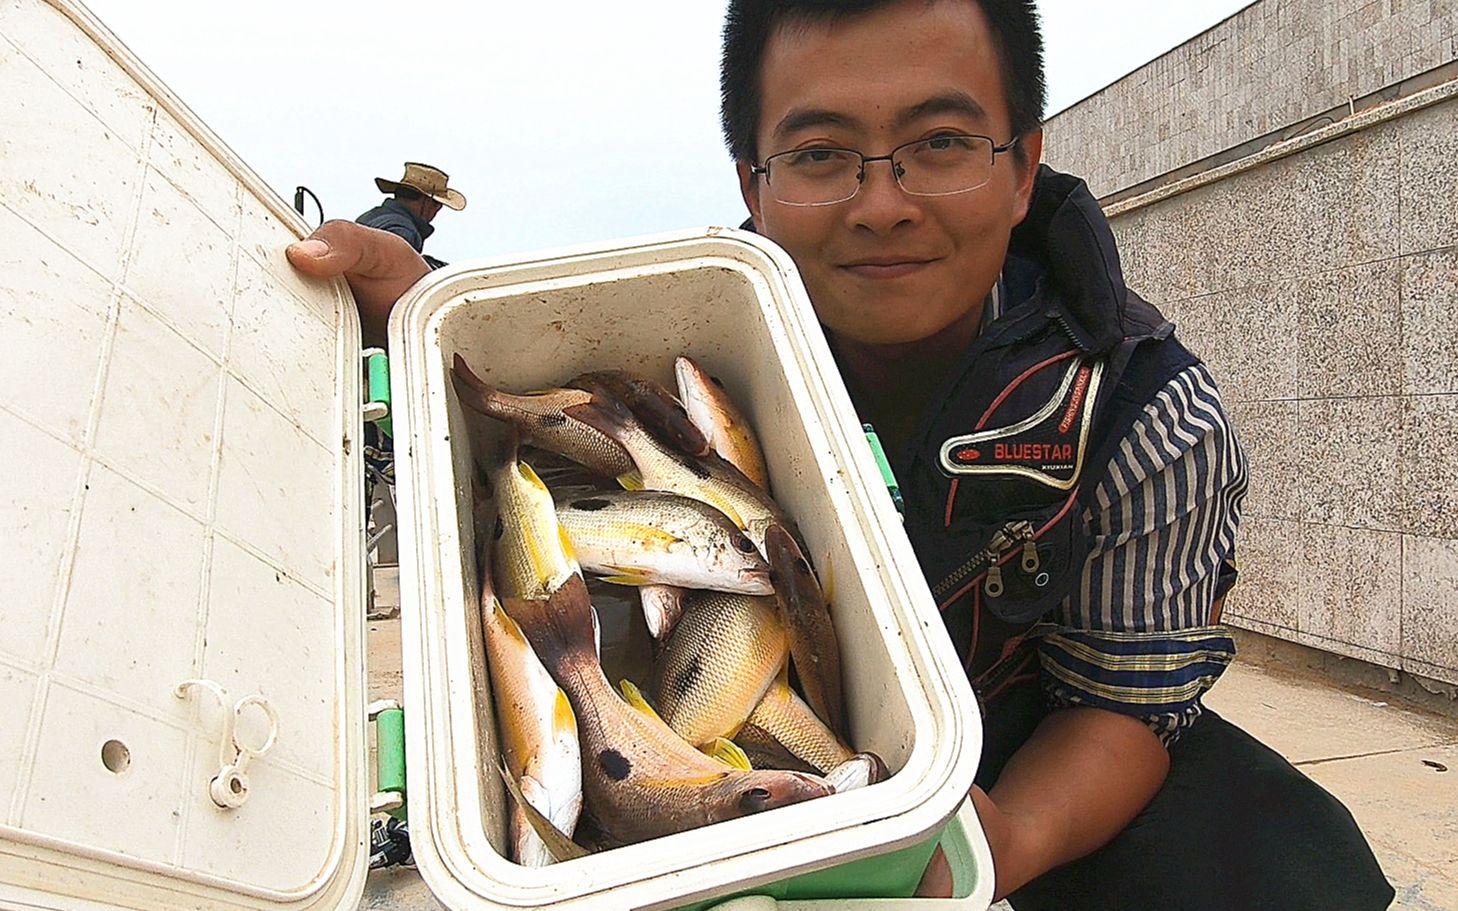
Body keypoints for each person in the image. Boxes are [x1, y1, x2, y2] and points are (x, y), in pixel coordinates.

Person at [288, 2, 1395, 907]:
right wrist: (418, 314)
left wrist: (996, 844)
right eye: (821, 154)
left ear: (1025, 167)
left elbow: (1127, 700)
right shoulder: (701, 332)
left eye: (942, 144)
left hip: (1027, 755)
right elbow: (554, 367)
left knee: (1292, 868)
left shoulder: (1151, 413)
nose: (881, 202)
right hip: (725, 737)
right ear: (751, 186)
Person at [356, 161, 467, 269]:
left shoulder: (368, 217)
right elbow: (392, 274)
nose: (437, 210)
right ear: (426, 201)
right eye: (437, 204)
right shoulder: (404, 231)